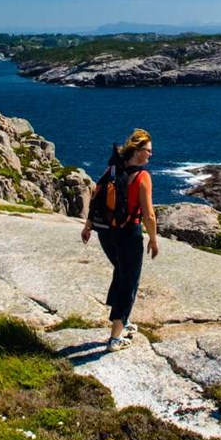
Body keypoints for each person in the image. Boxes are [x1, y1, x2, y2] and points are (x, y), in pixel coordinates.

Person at [81, 128, 159, 352]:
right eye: (148, 151)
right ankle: (115, 337)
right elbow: (149, 214)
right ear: (137, 151)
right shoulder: (142, 177)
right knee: (129, 281)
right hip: (128, 233)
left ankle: (122, 318)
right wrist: (153, 240)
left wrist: (88, 226)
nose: (150, 155)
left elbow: (97, 197)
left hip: (106, 232)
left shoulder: (113, 168)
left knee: (121, 271)